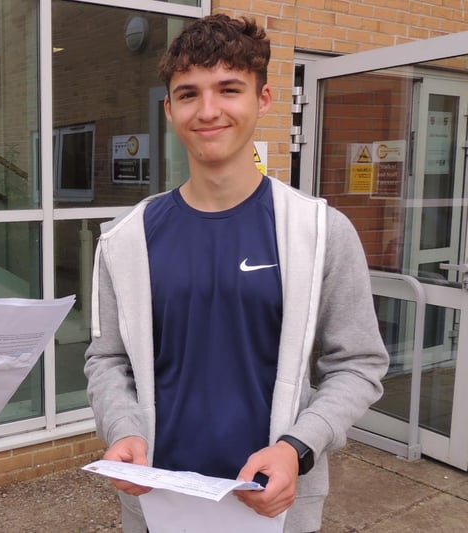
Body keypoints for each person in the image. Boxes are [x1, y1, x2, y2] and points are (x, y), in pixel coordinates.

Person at [84, 14, 389, 533]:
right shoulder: (126, 239)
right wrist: (123, 429)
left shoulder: (320, 232)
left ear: (264, 99)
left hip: (275, 504)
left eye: (229, 89)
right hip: (159, 499)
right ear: (169, 108)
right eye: (188, 94)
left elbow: (358, 364)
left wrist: (298, 448)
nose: (208, 111)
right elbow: (107, 359)